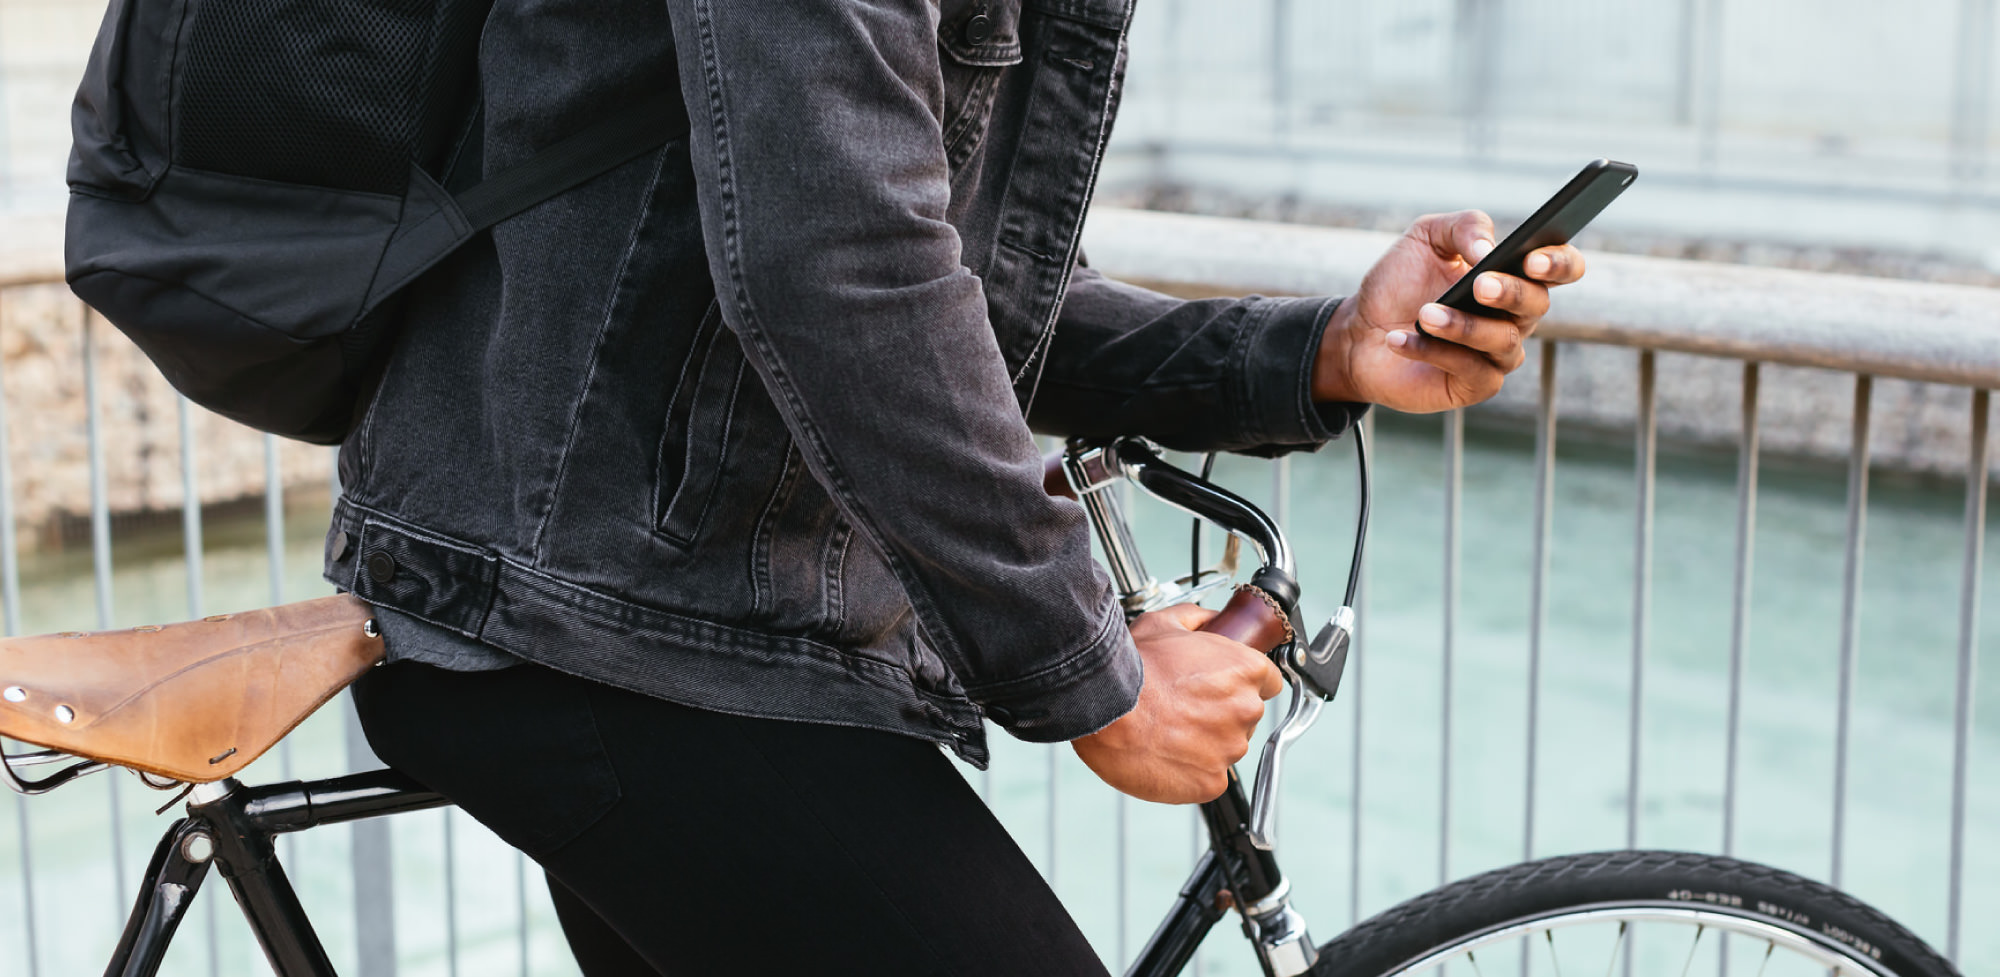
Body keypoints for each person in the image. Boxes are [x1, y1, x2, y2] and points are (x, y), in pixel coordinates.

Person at [329, 0, 1585, 973]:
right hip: (608, 633)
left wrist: (1322, 349)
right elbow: (843, 271)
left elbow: (960, 306)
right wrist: (1099, 678)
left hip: (679, 620)